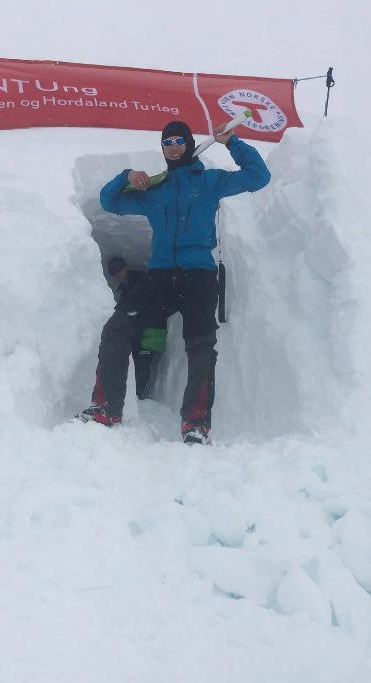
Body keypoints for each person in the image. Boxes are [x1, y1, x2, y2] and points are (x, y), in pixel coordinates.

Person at [79, 120, 270, 444]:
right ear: (163, 148)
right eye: (167, 142)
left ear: (189, 143)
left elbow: (258, 177)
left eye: (180, 141)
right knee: (117, 328)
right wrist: (126, 177)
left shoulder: (210, 182)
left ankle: (196, 423)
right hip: (160, 276)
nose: (174, 147)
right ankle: (106, 409)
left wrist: (232, 142)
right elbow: (110, 201)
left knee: (200, 347)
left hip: (199, 275)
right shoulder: (155, 189)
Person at [104, 257, 167, 402]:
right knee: (135, 364)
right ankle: (134, 397)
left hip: (153, 331)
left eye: (119, 267)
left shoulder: (141, 279)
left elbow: (135, 301)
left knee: (141, 364)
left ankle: (139, 398)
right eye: (113, 271)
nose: (117, 272)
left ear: (125, 266)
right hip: (140, 334)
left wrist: (116, 314)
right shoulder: (125, 289)